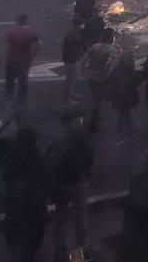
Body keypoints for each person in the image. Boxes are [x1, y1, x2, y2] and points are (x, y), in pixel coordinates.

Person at [48, 108, 93, 262]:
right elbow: (89, 156)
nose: (81, 121)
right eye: (79, 118)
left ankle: (59, 256)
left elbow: (50, 160)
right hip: (79, 183)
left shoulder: (56, 137)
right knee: (81, 223)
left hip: (61, 184)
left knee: (60, 222)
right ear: (74, 121)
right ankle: (80, 259)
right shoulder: (81, 135)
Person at [3, 127, 48, 262]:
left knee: (16, 239)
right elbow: (45, 176)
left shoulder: (12, 156)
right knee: (33, 238)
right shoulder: (38, 156)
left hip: (17, 204)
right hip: (34, 203)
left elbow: (6, 176)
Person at [81, 28, 120, 133]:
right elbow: (109, 65)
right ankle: (93, 124)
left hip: (90, 77)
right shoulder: (112, 50)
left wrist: (83, 72)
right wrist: (103, 76)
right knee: (97, 101)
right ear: (111, 38)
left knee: (96, 98)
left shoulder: (95, 46)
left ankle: (96, 115)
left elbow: (83, 60)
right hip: (101, 79)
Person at [2, 14, 41, 105]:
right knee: (23, 83)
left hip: (11, 62)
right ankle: (21, 103)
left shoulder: (11, 32)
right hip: (24, 62)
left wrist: (0, 61)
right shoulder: (32, 32)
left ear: (17, 21)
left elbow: (5, 48)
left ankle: (8, 100)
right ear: (26, 21)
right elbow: (39, 45)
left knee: (10, 83)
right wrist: (32, 55)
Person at [109, 50, 141, 139]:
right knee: (124, 114)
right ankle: (121, 133)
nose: (133, 60)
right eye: (132, 58)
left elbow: (110, 80)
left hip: (119, 97)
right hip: (127, 97)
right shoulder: (130, 70)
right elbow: (137, 82)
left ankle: (125, 130)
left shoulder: (116, 69)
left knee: (123, 113)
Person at [61, 18, 86, 104]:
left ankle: (70, 94)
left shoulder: (72, 34)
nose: (83, 26)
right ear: (78, 25)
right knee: (71, 80)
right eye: (82, 24)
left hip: (72, 60)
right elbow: (72, 49)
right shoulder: (73, 36)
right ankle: (67, 99)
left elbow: (65, 48)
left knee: (73, 78)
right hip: (72, 60)